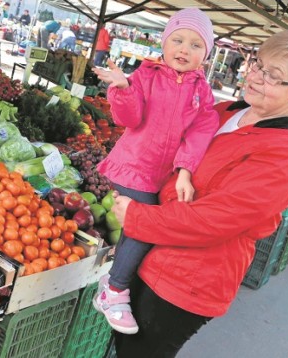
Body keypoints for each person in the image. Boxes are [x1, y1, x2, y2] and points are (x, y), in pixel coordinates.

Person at [108, 27, 288, 356]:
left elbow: (215, 219)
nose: (256, 77)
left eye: (273, 76)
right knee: (122, 345)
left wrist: (137, 216)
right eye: (258, 65)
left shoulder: (286, 153)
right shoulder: (229, 110)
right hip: (152, 252)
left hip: (187, 280)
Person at [90, 8, 219, 334]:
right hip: (134, 166)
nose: (184, 50)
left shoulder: (202, 92)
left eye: (195, 45)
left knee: (148, 228)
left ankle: (113, 278)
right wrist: (123, 88)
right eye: (178, 40)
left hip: (163, 176)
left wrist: (186, 171)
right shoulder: (145, 76)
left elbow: (200, 134)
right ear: (164, 43)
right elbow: (128, 119)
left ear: (206, 54)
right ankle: (115, 289)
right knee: (142, 227)